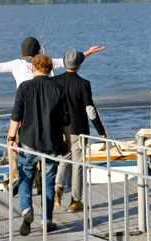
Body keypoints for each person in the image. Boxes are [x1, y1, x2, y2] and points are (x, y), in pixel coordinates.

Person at [0, 37, 104, 193]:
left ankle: (16, 178)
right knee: (42, 147)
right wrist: (87, 53)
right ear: (38, 50)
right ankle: (40, 185)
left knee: (14, 147)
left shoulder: (16, 64)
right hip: (46, 113)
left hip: (24, 114)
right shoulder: (46, 63)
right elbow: (67, 62)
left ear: (22, 51)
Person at [7, 54, 71, 236]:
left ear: (34, 68)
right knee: (49, 181)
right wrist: (67, 141)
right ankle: (47, 221)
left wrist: (12, 138)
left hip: (28, 141)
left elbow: (16, 116)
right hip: (51, 142)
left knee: (25, 177)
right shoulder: (58, 88)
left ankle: (27, 210)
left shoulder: (24, 87)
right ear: (50, 69)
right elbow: (66, 120)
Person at [52, 49, 107, 212]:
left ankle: (58, 189)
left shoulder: (55, 81)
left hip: (60, 128)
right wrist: (100, 130)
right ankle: (75, 201)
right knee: (78, 164)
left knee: (64, 158)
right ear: (79, 65)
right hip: (78, 129)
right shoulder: (83, 84)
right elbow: (90, 109)